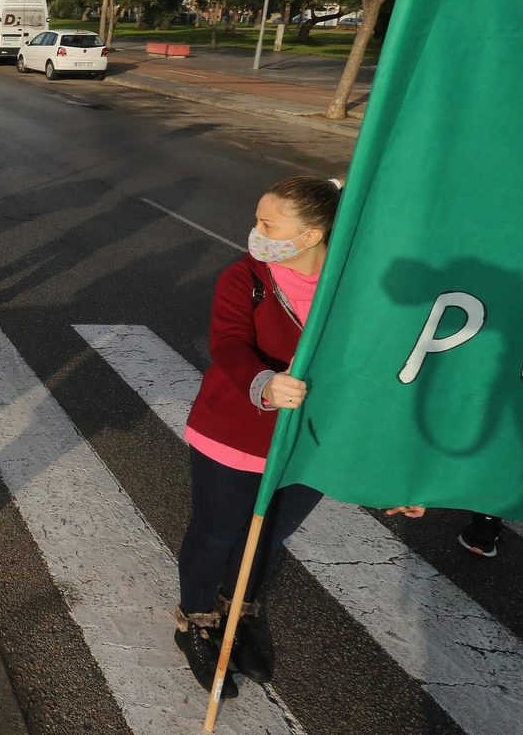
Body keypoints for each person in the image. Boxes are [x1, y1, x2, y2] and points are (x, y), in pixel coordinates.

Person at [173, 176, 341, 697]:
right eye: (257, 221)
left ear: (312, 236)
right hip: (236, 431)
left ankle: (239, 612)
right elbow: (227, 342)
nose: (256, 232)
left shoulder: (352, 286)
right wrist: (265, 383)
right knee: (216, 534)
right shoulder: (244, 277)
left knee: (267, 536)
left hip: (312, 441)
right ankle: (196, 621)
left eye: (269, 225)